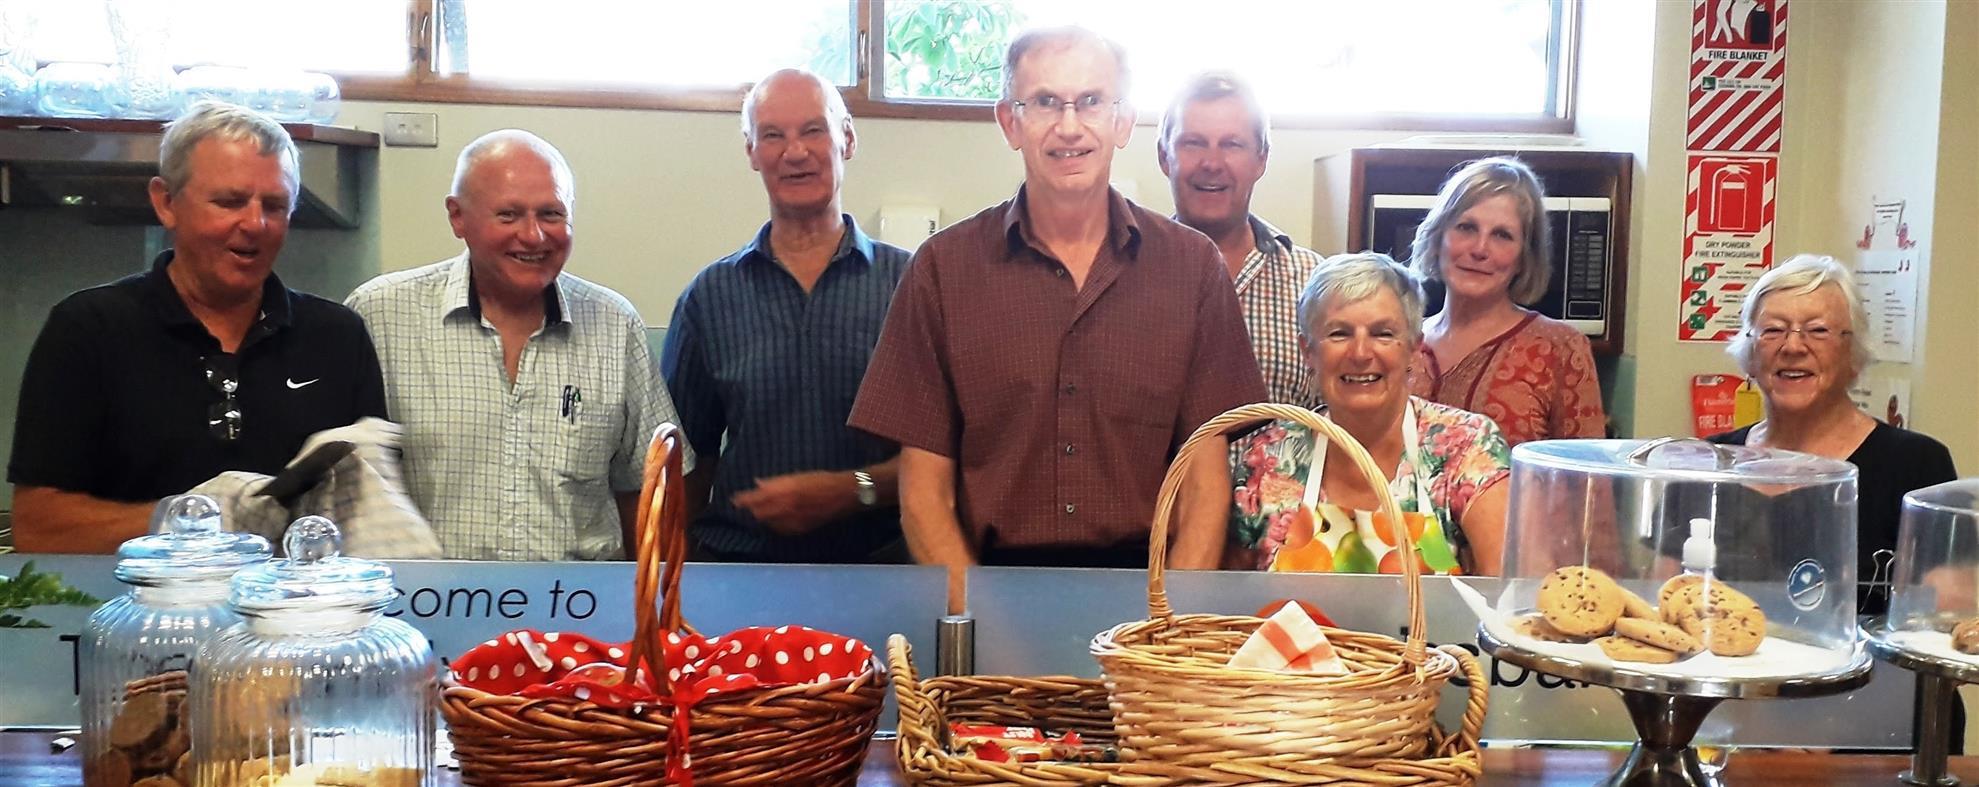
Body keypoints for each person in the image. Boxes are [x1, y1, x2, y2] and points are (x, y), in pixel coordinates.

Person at [849, 26, 1265, 606]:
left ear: (1123, 121)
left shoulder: (1191, 268)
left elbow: (1204, 484)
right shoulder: (942, 270)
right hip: (985, 587)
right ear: (1009, 121)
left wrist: (1163, 626)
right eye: (1045, 102)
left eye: (1091, 101)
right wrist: (981, 625)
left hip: (1146, 595)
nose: (1069, 126)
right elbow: (924, 494)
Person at [7, 101, 387, 553]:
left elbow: (372, 516)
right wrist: (199, 516)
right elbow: (39, 527)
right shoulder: (88, 330)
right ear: (166, 202)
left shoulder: (337, 336)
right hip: (139, 617)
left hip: (295, 617)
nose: (254, 224)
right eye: (229, 202)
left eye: (275, 205)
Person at [345, 130, 688, 561]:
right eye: (508, 215)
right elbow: (338, 492)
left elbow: (650, 490)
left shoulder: (615, 325)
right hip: (428, 609)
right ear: (457, 217)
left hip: (577, 613)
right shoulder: (379, 316)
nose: (533, 236)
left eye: (551, 214)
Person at [662, 69, 911, 563]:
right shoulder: (708, 298)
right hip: (739, 570)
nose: (795, 152)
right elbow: (687, 465)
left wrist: (851, 489)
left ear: (848, 139)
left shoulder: (913, 285)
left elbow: (949, 463)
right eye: (773, 135)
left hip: (881, 571)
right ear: (751, 151)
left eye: (813, 130)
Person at [1229, 253, 1511, 575]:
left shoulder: (1467, 446)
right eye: (1339, 333)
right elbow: (1237, 597)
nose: (1361, 353)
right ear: (1309, 352)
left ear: (1414, 347)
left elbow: (1502, 594)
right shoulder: (1268, 458)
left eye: (1383, 333)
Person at [1709, 254, 1955, 615]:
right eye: (1773, 330)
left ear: (1852, 355)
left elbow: (1945, 619)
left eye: (1818, 330)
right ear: (1749, 353)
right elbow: (1663, 601)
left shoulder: (1916, 465)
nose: (1793, 347)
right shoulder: (1707, 464)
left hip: (1872, 672)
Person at [1406, 157, 1605, 446]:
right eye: (1466, 227)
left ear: (1525, 257)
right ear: (1438, 238)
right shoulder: (1401, 342)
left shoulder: (1561, 350)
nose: (1480, 249)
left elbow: (1588, 482)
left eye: (1502, 235)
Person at [1157, 70, 1323, 408]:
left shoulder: (1312, 279)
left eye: (1232, 145)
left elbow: (1338, 416)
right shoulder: (1127, 274)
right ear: (1164, 157)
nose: (1212, 163)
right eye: (1193, 143)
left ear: (1261, 159)